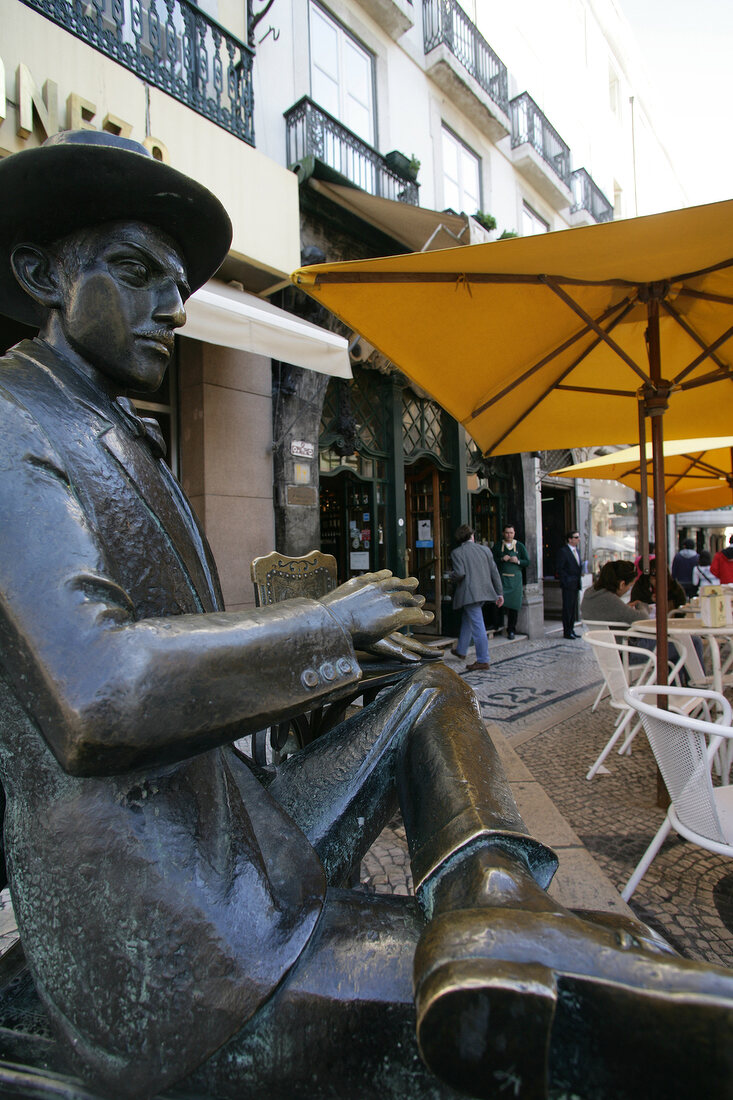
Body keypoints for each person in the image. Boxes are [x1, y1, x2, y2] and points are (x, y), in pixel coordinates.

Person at [2, 131, 731, 1100]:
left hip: (235, 831)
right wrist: (325, 631)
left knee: (428, 689)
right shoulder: (14, 421)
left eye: (176, 282)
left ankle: (497, 899)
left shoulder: (105, 425)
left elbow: (184, 663)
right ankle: (539, 961)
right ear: (40, 273)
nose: (173, 307)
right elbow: (96, 694)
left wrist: (350, 663)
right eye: (136, 273)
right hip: (166, 927)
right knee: (581, 1021)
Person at [450, 524, 504, 670]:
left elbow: (460, 573)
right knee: (468, 619)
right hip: (484, 592)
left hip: (469, 594)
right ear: (472, 536)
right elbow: (495, 572)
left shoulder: (457, 552)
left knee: (478, 625)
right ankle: (461, 650)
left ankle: (483, 659)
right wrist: (499, 593)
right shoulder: (485, 550)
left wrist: (450, 576)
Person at [580, 560, 649, 627]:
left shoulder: (590, 592)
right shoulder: (609, 599)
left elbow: (612, 611)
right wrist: (640, 605)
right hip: (614, 637)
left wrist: (625, 607)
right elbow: (644, 618)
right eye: (630, 586)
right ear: (622, 584)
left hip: (597, 637)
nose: (629, 589)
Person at [492, 523, 529, 639]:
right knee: (498, 602)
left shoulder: (520, 546)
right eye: (507, 532)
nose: (509, 535)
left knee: (513, 606)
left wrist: (517, 561)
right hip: (502, 579)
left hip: (515, 581)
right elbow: (491, 561)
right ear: (503, 533)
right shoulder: (498, 546)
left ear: (514, 533)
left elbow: (527, 562)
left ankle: (511, 629)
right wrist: (501, 559)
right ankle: (497, 626)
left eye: (511, 533)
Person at [556, 530, 583, 638]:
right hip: (568, 584)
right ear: (570, 539)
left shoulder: (577, 551)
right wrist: (566, 580)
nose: (578, 539)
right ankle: (567, 631)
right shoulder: (563, 551)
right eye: (576, 537)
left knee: (572, 608)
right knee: (567, 608)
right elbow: (560, 568)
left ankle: (571, 629)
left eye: (578, 537)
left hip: (576, 583)